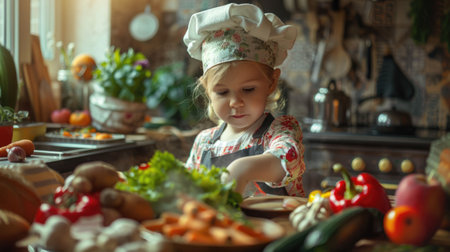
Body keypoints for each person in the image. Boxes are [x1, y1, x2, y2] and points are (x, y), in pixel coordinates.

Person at [183, 3, 306, 197]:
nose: (235, 102)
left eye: (248, 89)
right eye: (222, 92)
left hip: (276, 226)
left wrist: (241, 170)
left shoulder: (279, 131)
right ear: (207, 90)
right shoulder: (204, 142)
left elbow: (286, 159)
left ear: (272, 82)